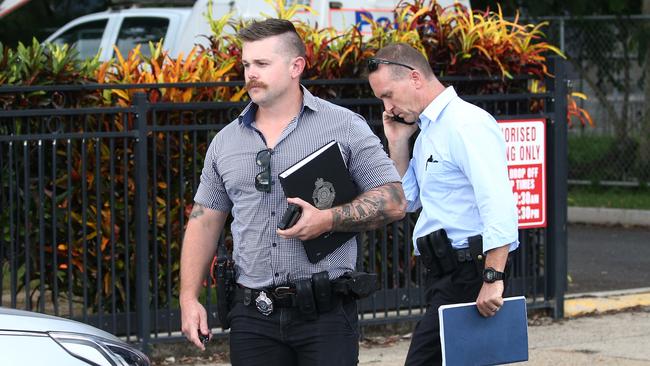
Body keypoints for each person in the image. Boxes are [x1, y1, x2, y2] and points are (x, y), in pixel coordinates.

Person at [179, 19, 406, 366]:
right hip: (252, 318)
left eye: (262, 64)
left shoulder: (344, 126)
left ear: (296, 66)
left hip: (325, 315)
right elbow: (204, 221)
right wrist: (188, 297)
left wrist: (328, 219)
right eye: (246, 65)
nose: (250, 73)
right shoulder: (226, 141)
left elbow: (394, 200)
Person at [367, 43, 519, 366]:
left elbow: (498, 200)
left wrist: (493, 277)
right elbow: (406, 201)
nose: (388, 106)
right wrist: (397, 142)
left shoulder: (466, 124)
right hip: (444, 276)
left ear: (415, 78)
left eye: (389, 94)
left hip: (471, 273)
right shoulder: (427, 133)